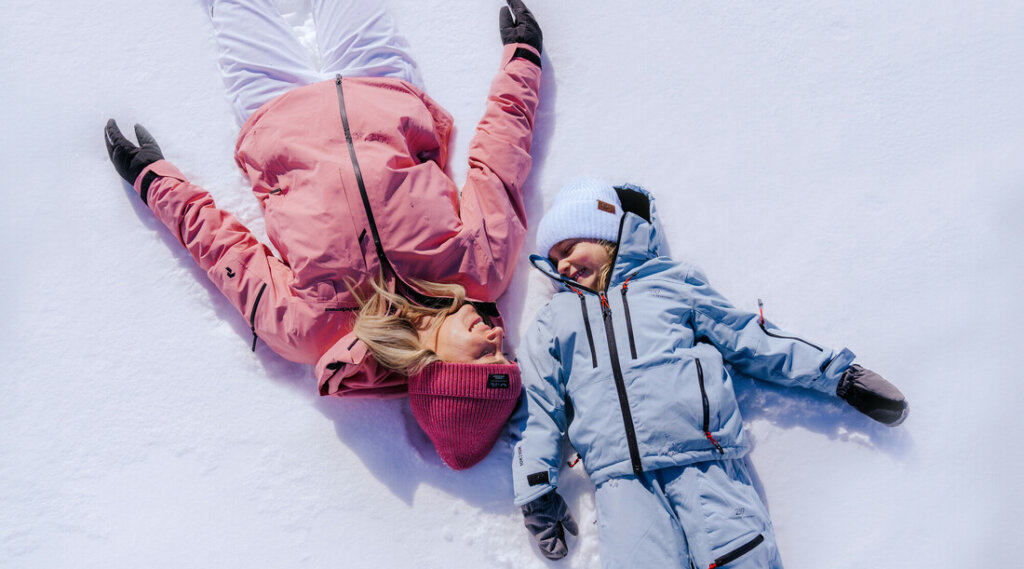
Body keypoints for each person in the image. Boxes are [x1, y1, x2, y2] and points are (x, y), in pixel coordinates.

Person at [104, 0, 544, 470]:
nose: (497, 334)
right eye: (505, 350)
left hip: (273, 115)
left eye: (486, 356)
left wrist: (158, 185)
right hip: (384, 87)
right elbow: (499, 164)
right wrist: (523, 62)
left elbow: (227, 253)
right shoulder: (482, 269)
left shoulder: (312, 332)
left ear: (441, 372)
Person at [510, 179, 909, 567]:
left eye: (570, 247)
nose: (561, 263)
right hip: (621, 485)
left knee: (740, 558)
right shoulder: (553, 322)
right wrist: (536, 492)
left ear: (605, 236)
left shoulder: (670, 284)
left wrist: (837, 375)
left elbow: (749, 339)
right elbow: (540, 410)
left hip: (705, 465)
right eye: (554, 258)